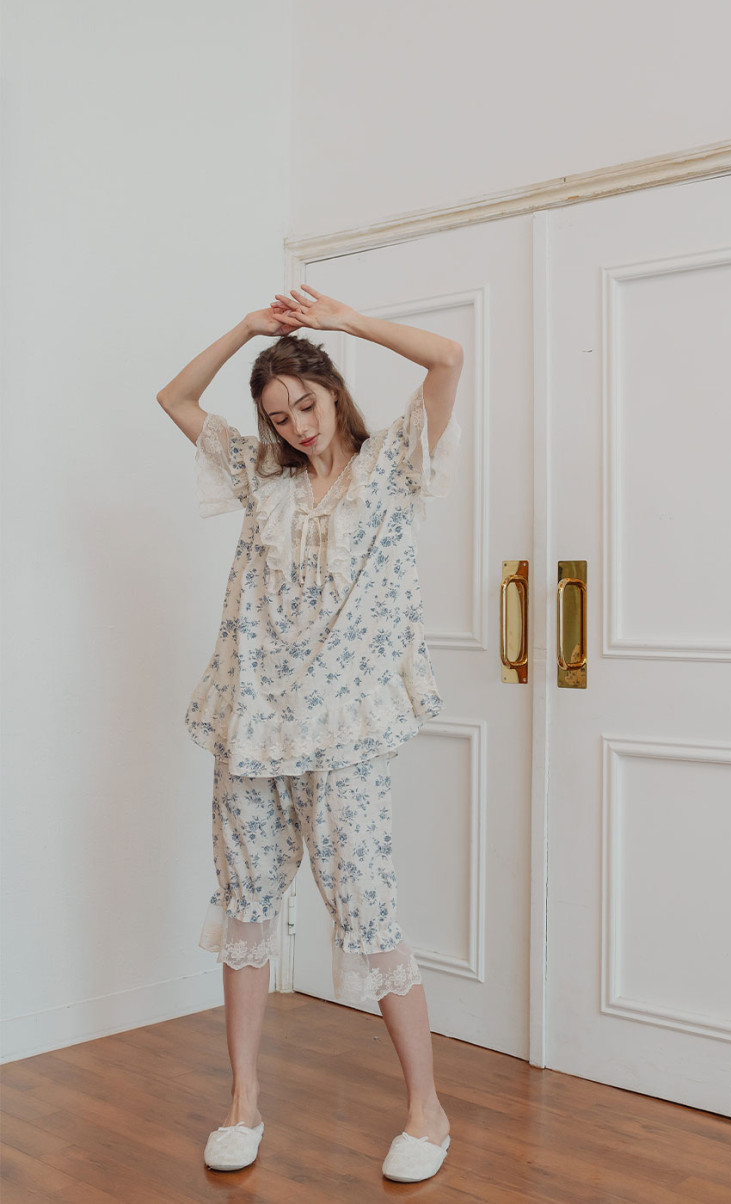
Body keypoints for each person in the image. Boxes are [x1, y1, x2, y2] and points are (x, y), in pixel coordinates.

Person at [156, 285, 463, 1182]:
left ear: (332, 390)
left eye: (305, 405)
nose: (295, 426)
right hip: (252, 724)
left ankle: (427, 1110)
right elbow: (174, 398)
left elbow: (447, 358)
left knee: (369, 906)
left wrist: (345, 320)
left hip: (345, 732)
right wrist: (246, 329)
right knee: (247, 905)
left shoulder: (394, 465)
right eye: (278, 416)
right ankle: (243, 1102)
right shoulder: (262, 479)